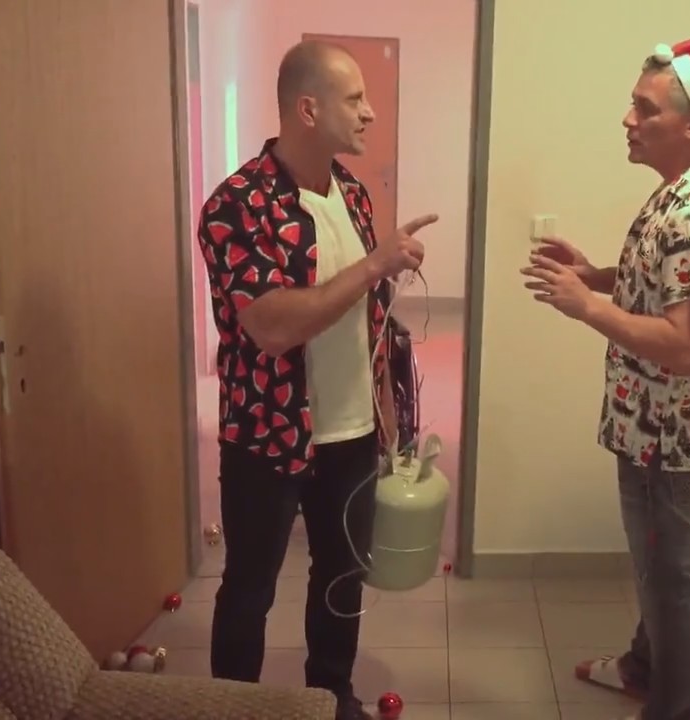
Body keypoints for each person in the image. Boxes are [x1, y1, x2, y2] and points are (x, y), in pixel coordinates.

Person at [195, 40, 437, 720]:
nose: (369, 113)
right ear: (308, 109)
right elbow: (272, 326)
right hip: (266, 436)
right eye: (354, 99)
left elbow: (368, 314)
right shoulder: (236, 204)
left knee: (341, 577)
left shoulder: (352, 193)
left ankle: (332, 696)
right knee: (250, 588)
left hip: (351, 434)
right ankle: (231, 709)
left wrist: (387, 408)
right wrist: (374, 264)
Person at [520, 38, 690, 720]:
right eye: (633, 104)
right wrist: (595, 275)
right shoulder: (688, 189)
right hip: (654, 422)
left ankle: (676, 702)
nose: (628, 119)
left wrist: (587, 306)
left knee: (667, 573)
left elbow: (684, 346)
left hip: (666, 435)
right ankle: (643, 667)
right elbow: (665, 287)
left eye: (645, 109)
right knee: (658, 565)